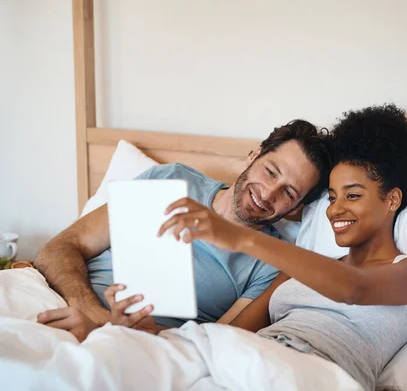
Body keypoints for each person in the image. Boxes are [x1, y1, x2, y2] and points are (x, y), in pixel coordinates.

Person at [105, 104, 407, 390]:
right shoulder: (297, 270)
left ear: (393, 199)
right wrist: (142, 334)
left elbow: (354, 289)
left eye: (353, 195)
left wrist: (240, 237)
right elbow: (226, 336)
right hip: (244, 360)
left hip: (313, 375)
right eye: (331, 197)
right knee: (106, 366)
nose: (336, 209)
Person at [34, 119, 333, 340]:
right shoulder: (171, 180)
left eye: (289, 193)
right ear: (254, 156)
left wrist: (114, 332)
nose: (268, 194)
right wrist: (93, 314)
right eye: (270, 172)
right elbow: (59, 249)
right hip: (59, 302)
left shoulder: (270, 263)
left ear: (295, 209)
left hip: (143, 344)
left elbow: (220, 342)